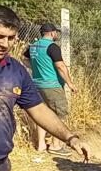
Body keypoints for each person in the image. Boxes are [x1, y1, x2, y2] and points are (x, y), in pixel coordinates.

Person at [0, 5, 90, 171]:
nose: (4, 44)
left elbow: (38, 109)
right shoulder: (50, 47)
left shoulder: (16, 71)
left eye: (11, 38)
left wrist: (70, 138)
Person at [23, 23, 78, 155]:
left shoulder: (33, 46)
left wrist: (35, 69)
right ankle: (55, 145)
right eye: (56, 33)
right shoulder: (52, 47)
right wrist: (70, 83)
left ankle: (41, 145)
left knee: (42, 114)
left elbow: (24, 59)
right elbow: (60, 66)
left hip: (37, 84)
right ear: (52, 33)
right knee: (60, 113)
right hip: (52, 86)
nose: (56, 35)